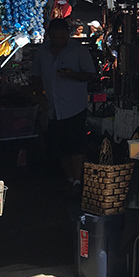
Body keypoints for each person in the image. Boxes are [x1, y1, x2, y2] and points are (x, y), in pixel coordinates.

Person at [31, 17, 97, 188]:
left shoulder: (78, 51)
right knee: (59, 146)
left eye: (62, 38)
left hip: (74, 106)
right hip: (53, 107)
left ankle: (77, 180)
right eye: (55, 38)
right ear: (49, 36)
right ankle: (70, 178)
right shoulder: (43, 51)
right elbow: (36, 75)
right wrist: (38, 95)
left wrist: (72, 74)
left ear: (67, 35)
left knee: (76, 145)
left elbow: (90, 74)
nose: (59, 41)